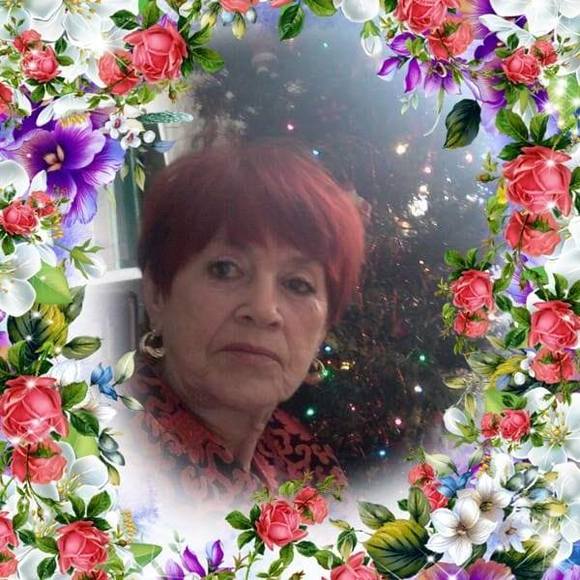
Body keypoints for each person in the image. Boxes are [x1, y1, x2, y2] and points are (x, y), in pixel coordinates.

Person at [123, 138, 367, 509]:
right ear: (158, 292)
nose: (264, 310)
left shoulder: (309, 469)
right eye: (225, 269)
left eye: (297, 284)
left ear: (323, 329)